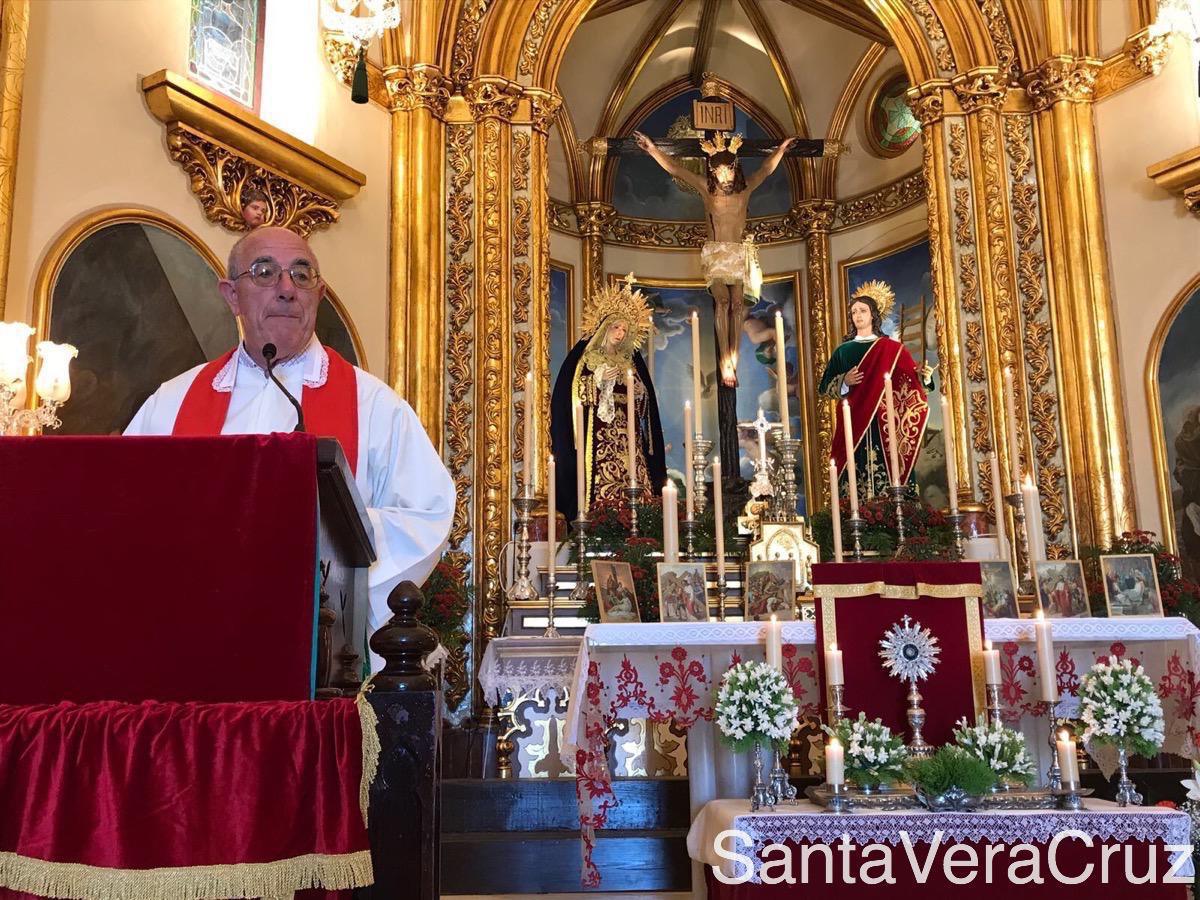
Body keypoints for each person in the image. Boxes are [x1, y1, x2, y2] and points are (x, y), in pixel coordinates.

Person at [125, 226, 455, 669]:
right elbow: (125, 506)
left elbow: (425, 515)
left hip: (322, 654)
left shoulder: (373, 405)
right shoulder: (173, 402)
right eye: (264, 272)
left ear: (318, 293)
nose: (286, 289)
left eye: (302, 274)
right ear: (231, 295)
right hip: (192, 643)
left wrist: (318, 540)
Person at [634, 130, 796, 387]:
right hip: (717, 255)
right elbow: (676, 169)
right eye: (720, 171)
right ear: (712, 171)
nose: (726, 176)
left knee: (738, 306)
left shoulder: (744, 192)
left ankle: (733, 360)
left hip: (739, 253)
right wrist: (652, 149)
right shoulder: (706, 191)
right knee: (722, 301)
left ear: (735, 170)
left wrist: (781, 151)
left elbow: (765, 170)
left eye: (730, 170)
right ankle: (725, 362)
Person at [550, 276, 667, 524]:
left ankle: (639, 519)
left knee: (634, 475)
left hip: (629, 434)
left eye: (625, 330)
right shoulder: (587, 355)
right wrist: (599, 380)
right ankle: (600, 517)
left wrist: (639, 391)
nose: (620, 333)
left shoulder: (632, 362)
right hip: (599, 433)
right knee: (602, 477)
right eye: (616, 327)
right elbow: (572, 396)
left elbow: (645, 404)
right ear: (605, 327)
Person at [819, 280, 934, 499]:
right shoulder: (843, 351)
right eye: (854, 312)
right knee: (856, 469)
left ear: (873, 314)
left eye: (863, 310)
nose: (858, 315)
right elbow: (824, 386)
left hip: (885, 423)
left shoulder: (892, 348)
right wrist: (844, 380)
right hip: (854, 419)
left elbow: (911, 383)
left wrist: (924, 378)